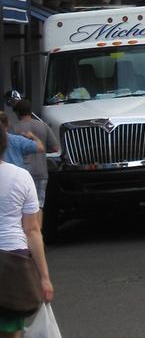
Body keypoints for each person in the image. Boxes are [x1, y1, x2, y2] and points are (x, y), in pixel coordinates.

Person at [0, 121, 54, 338]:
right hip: (14, 261)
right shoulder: (21, 177)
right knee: (12, 330)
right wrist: (44, 277)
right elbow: (32, 230)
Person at [12, 100, 59, 226]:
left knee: (23, 207)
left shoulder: (14, 129)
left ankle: (27, 236)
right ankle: (38, 234)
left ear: (17, 113)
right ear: (30, 111)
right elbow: (55, 148)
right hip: (41, 172)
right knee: (39, 205)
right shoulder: (43, 126)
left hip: (22, 173)